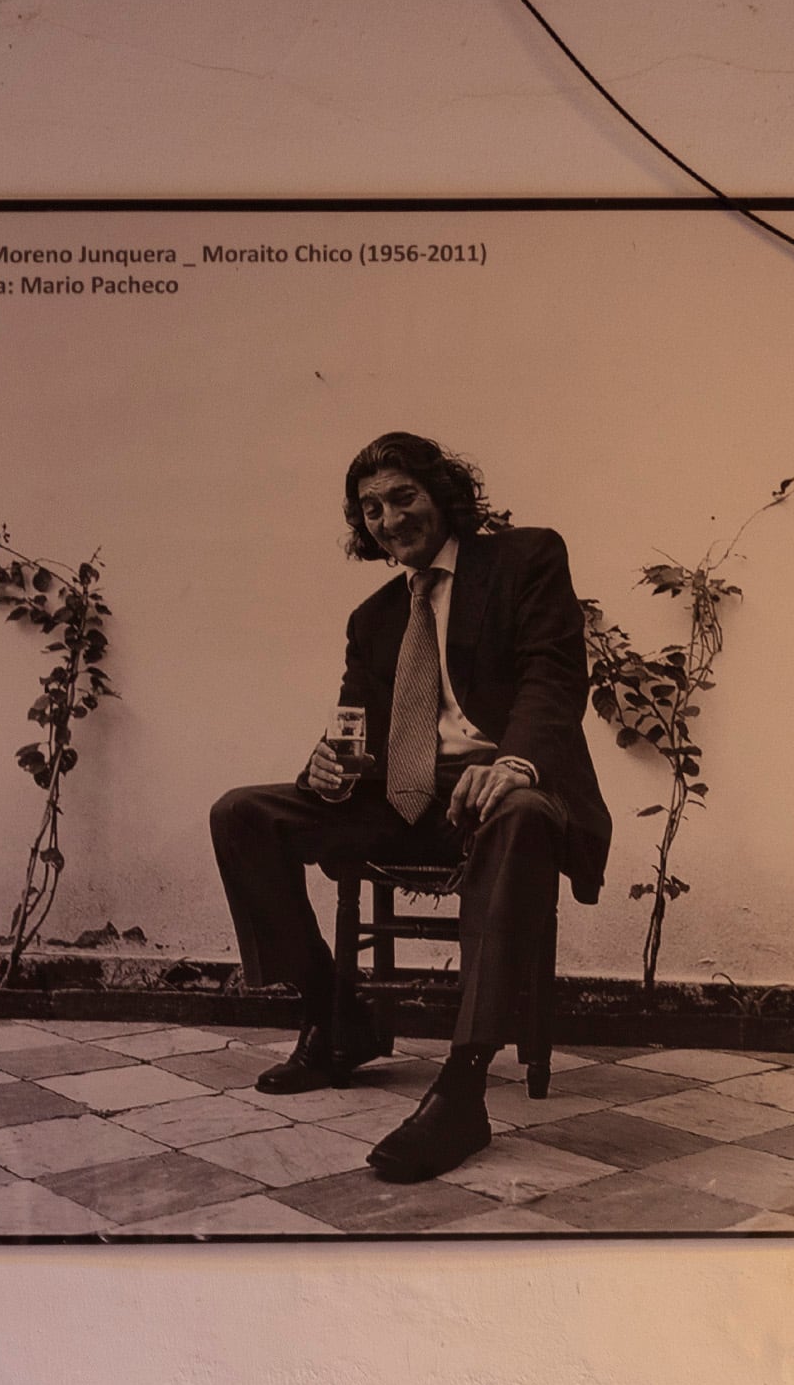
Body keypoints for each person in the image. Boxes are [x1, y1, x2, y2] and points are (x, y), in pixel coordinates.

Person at [204, 432, 614, 1185]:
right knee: (242, 814)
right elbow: (353, 727)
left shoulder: (525, 560)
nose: (389, 519)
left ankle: (463, 1087)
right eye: (371, 510)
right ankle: (338, 1012)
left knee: (519, 812)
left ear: (443, 493)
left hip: (506, 789)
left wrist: (514, 761)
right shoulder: (373, 617)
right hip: (404, 798)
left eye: (403, 497)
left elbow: (553, 679)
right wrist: (326, 766)